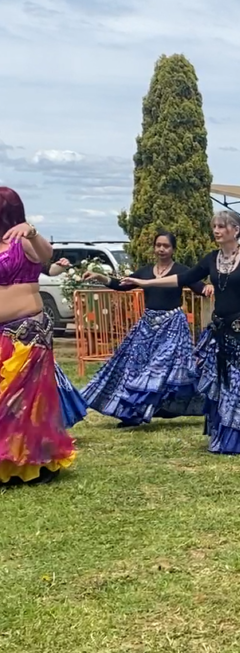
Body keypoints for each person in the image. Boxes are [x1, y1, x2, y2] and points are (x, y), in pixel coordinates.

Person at [122, 211, 240, 454]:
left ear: (236, 230)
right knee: (224, 385)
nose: (216, 230)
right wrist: (145, 283)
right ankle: (233, 436)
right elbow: (182, 278)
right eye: (214, 226)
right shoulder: (211, 259)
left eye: (222, 226)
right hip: (220, 331)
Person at [81, 232, 213, 428]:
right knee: (134, 368)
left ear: (173, 249)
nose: (161, 249)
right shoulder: (145, 272)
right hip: (147, 327)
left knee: (159, 368)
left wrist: (208, 288)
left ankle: (166, 407)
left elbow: (199, 287)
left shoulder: (181, 271)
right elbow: (121, 285)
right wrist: (100, 276)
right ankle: (132, 413)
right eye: (158, 245)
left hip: (172, 327)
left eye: (166, 246)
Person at [0, 187, 77, 484]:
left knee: (22, 400)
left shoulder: (23, 240)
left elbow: (47, 255)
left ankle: (30, 462)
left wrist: (31, 232)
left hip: (27, 331)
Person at [44, 257, 90, 428]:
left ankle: (51, 421)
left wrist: (58, 267)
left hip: (27, 322)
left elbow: (48, 270)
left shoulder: (23, 249)